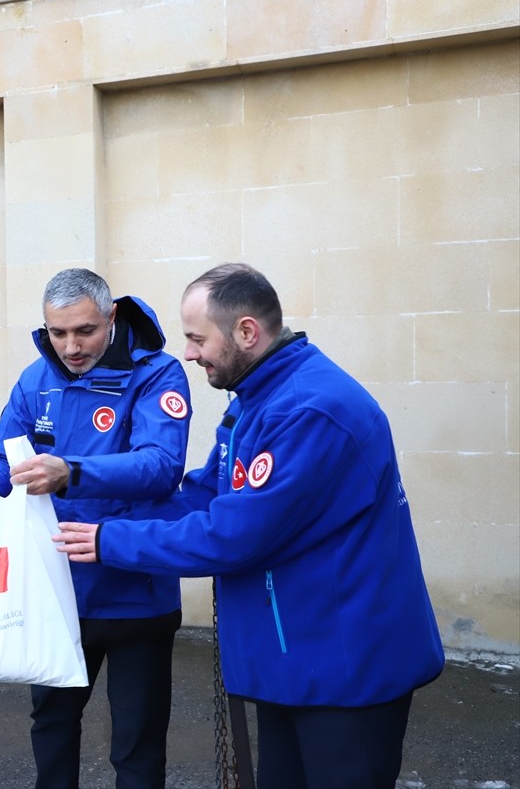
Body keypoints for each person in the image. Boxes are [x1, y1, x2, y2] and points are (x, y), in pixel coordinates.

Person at [54, 263, 445, 789]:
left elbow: (233, 534)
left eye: (197, 339)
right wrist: (86, 516)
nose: (188, 354)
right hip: (298, 659)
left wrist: (108, 540)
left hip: (346, 666)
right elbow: (203, 494)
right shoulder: (259, 399)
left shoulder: (310, 410)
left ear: (245, 332)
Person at [0, 268, 192, 789]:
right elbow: (4, 457)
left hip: (135, 592)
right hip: (55, 590)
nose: (70, 346)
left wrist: (72, 470)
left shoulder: (159, 373)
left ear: (111, 316)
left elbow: (161, 464)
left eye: (83, 330)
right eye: (57, 332)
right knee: (53, 723)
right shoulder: (34, 379)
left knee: (136, 742)